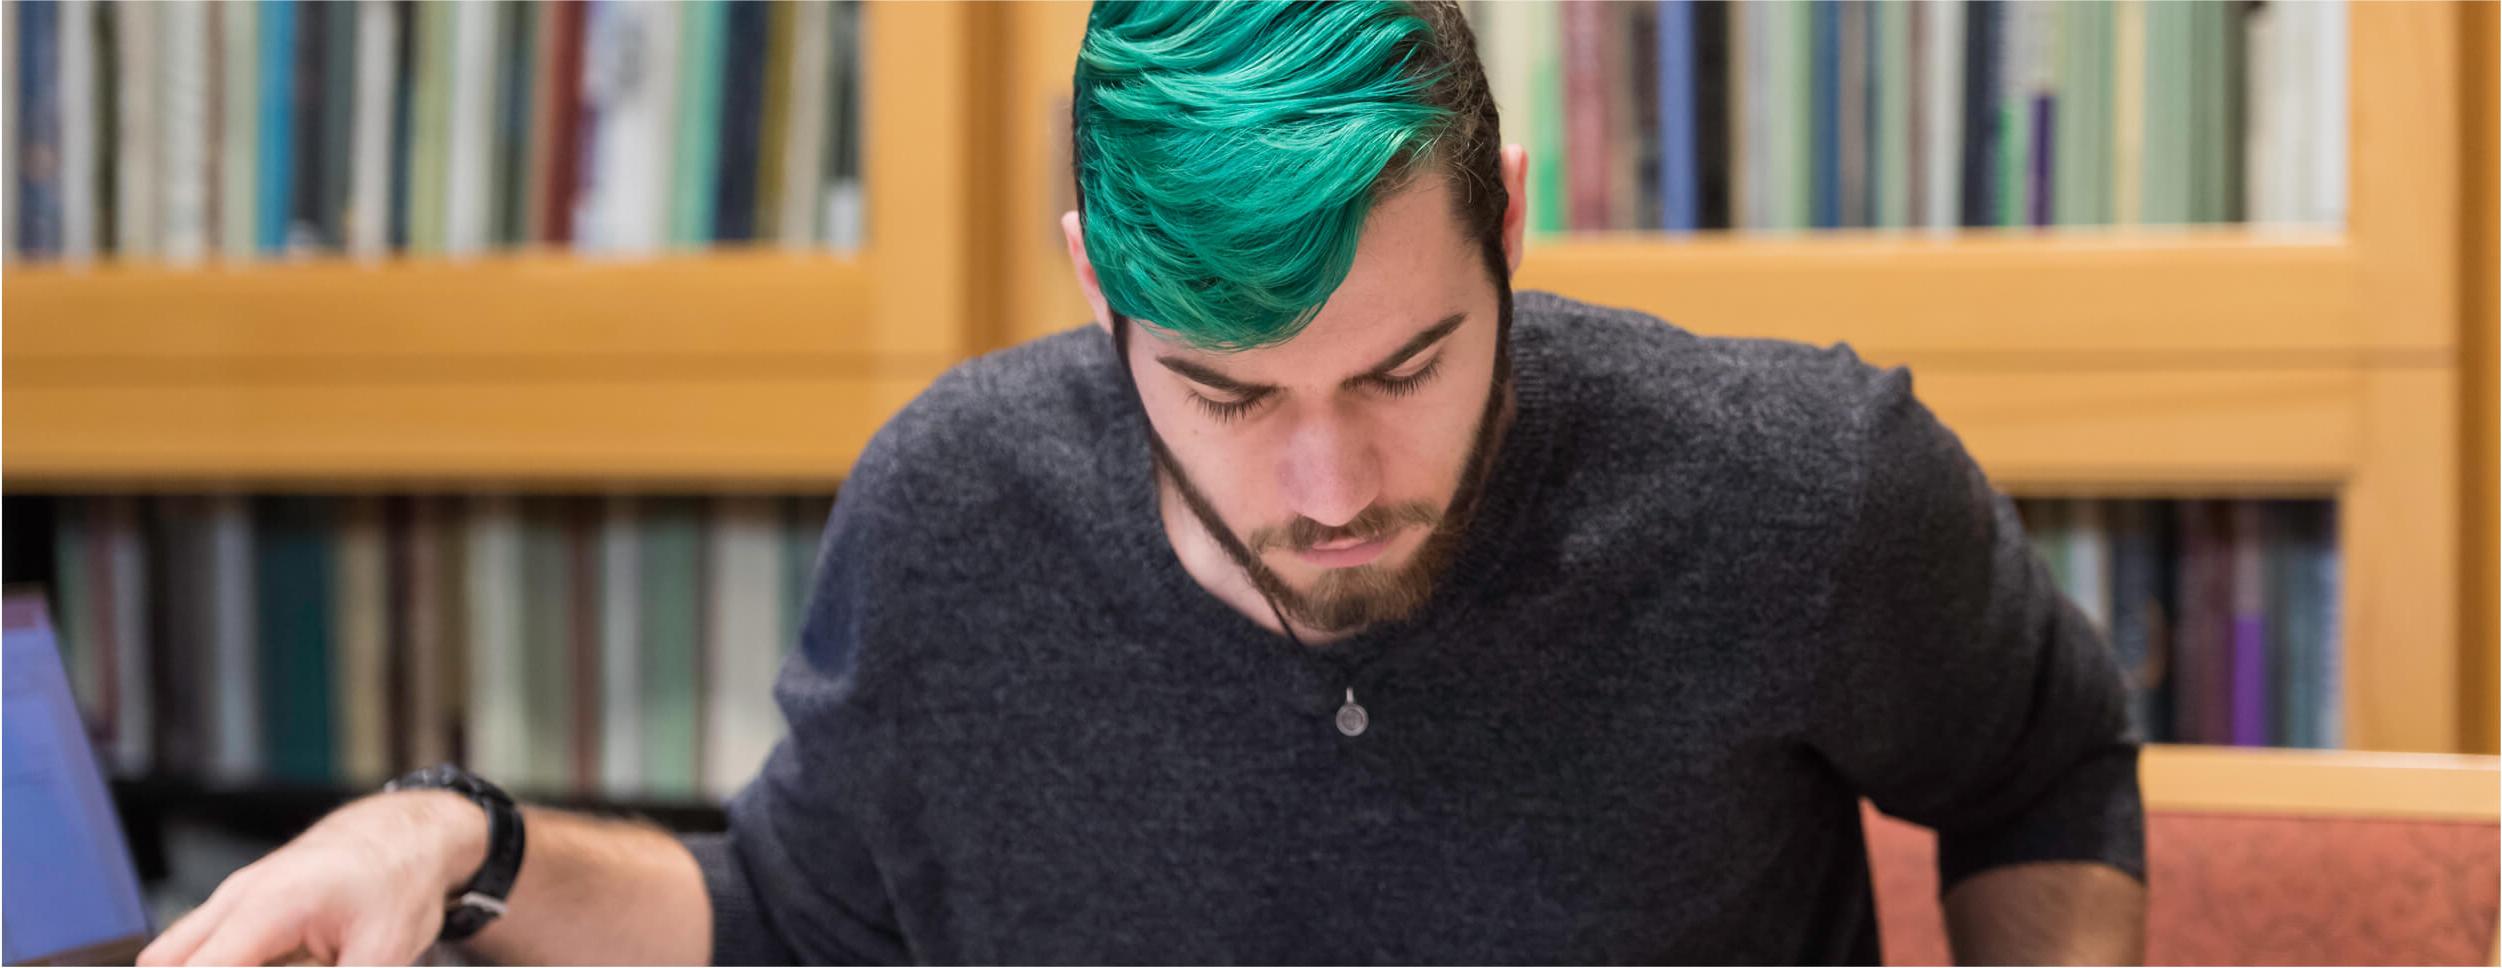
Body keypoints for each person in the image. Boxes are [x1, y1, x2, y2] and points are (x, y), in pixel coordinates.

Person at [138, 2, 2146, 964]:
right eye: (1227, 391)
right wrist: (444, 836)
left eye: (1406, 362)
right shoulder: (957, 515)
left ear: (1512, 222)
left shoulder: (1789, 489)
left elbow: (2041, 760)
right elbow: (787, 922)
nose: (1334, 477)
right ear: (1102, 293)